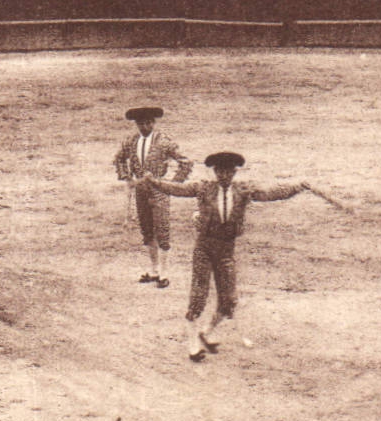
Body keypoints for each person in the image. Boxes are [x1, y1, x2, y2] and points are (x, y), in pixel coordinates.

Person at [145, 152, 309, 362]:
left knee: (229, 300)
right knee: (198, 296)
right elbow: (176, 189)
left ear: (233, 172)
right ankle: (193, 346)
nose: (223, 175)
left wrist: (298, 187)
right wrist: (153, 182)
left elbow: (272, 193)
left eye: (227, 171)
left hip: (226, 250)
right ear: (215, 172)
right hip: (204, 248)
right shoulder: (203, 188)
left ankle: (206, 332)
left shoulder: (243, 191)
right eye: (219, 171)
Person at [112, 106, 192, 289]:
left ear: (153, 123)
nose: (145, 126)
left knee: (162, 229)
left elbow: (185, 162)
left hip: (159, 190)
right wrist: (128, 178)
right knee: (147, 229)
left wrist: (172, 184)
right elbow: (118, 159)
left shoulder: (163, 141)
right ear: (137, 124)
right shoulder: (131, 141)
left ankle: (164, 272)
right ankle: (154, 269)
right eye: (141, 123)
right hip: (141, 190)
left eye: (148, 123)